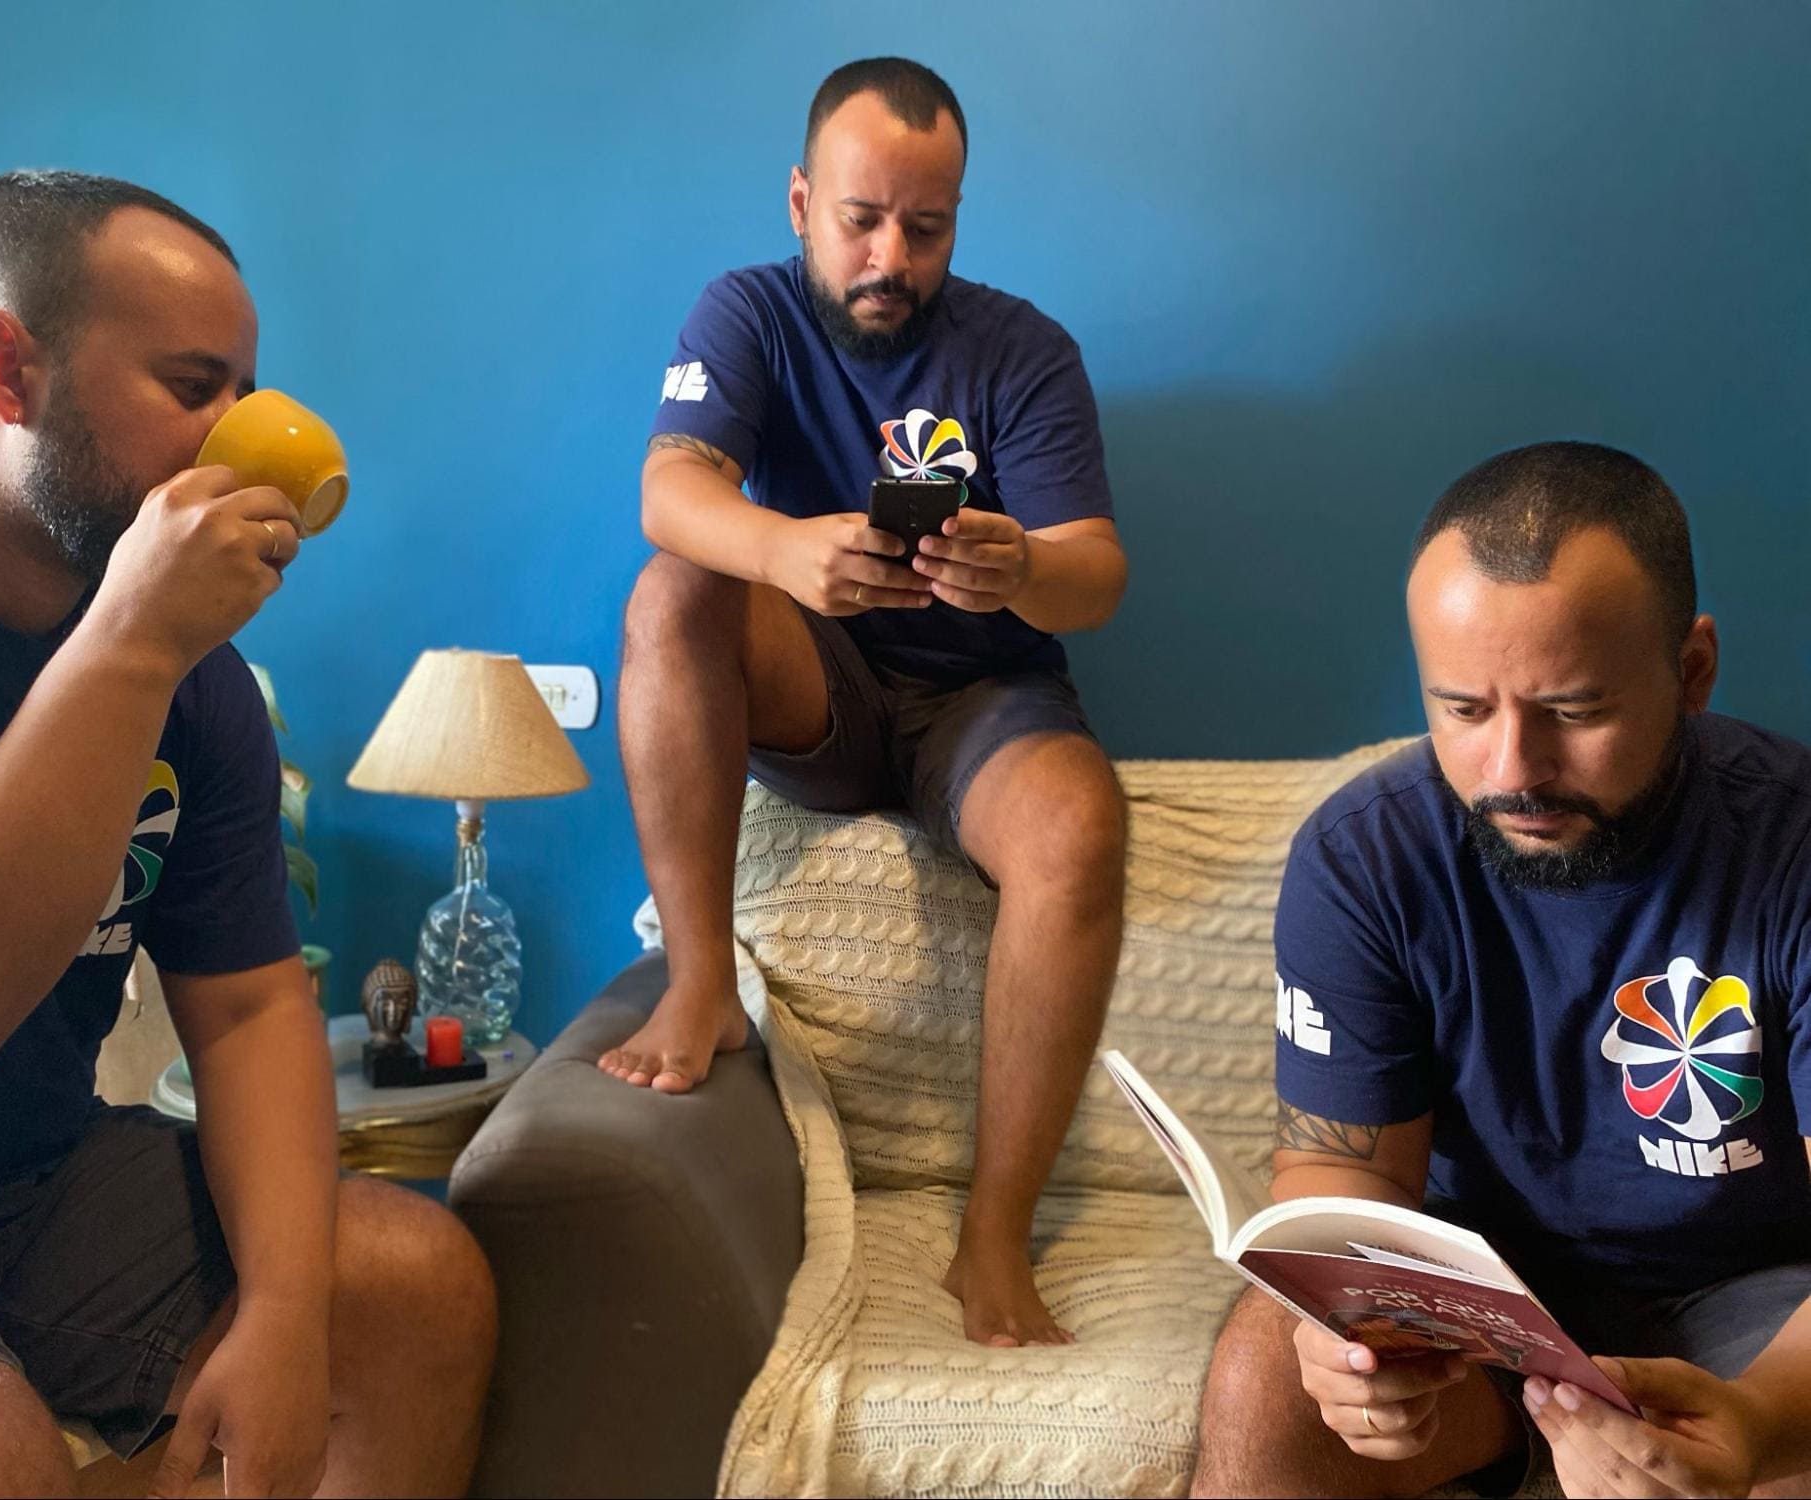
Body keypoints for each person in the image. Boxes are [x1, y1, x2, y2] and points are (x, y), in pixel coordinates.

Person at [0, 171, 494, 1498]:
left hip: (37, 1183)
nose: (244, 443)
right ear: (7, 370)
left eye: (248, 393)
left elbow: (244, 1012)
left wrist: (287, 1321)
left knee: (416, 1286)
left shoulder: (198, 681)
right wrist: (129, 641)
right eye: (197, 390)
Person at [598, 57, 1130, 1348]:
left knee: (1076, 828)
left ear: (956, 218)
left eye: (925, 227)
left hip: (980, 698)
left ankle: (991, 1236)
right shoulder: (747, 313)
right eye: (859, 219)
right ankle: (698, 984)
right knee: (674, 590)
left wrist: (1021, 564)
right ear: (798, 203)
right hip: (818, 686)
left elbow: (1097, 577)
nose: (889, 255)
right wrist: (783, 554)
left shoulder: (1021, 350)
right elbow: (668, 489)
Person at [1192, 442, 1811, 1497]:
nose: (1512, 771)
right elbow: (1346, 1170)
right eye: (1464, 712)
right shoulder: (1363, 857)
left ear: (1691, 670)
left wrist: (1755, 1424)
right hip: (1479, 1302)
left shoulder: (1790, 845)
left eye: (1574, 711)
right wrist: (1344, 1344)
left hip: (1757, 1298)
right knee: (1265, 1380)